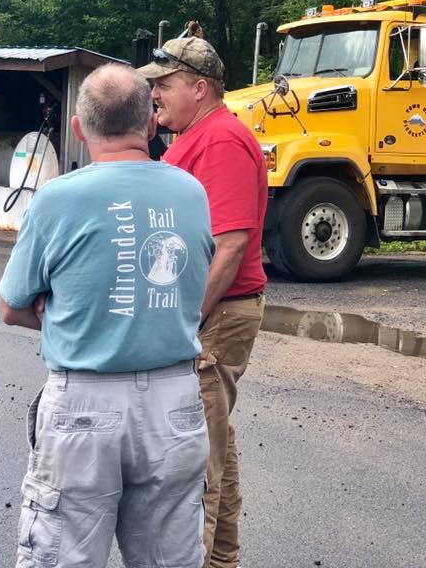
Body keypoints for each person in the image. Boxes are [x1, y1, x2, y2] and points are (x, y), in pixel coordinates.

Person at [0, 63, 214, 568]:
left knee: (63, 555)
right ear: (151, 123)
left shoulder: (57, 198)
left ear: (78, 128)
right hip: (175, 404)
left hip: (84, 406)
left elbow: (12, 306)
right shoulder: (191, 193)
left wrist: (66, 313)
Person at [139, 37, 268, 568]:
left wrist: (187, 322)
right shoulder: (196, 137)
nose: (154, 94)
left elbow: (232, 241)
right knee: (215, 446)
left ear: (199, 87)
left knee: (196, 460)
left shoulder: (220, 141)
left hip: (215, 316)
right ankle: (222, 560)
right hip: (212, 315)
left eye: (163, 85)